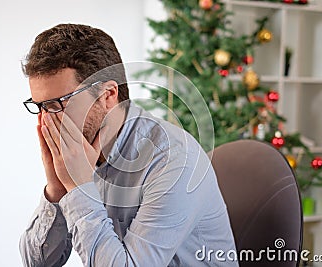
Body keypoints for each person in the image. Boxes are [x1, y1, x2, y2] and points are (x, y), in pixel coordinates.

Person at [19, 23, 238, 267]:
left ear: (108, 95)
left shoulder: (174, 160)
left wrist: (79, 187)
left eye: (58, 103)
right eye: (40, 106)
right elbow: (37, 263)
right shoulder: (79, 154)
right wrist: (57, 189)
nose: (47, 120)